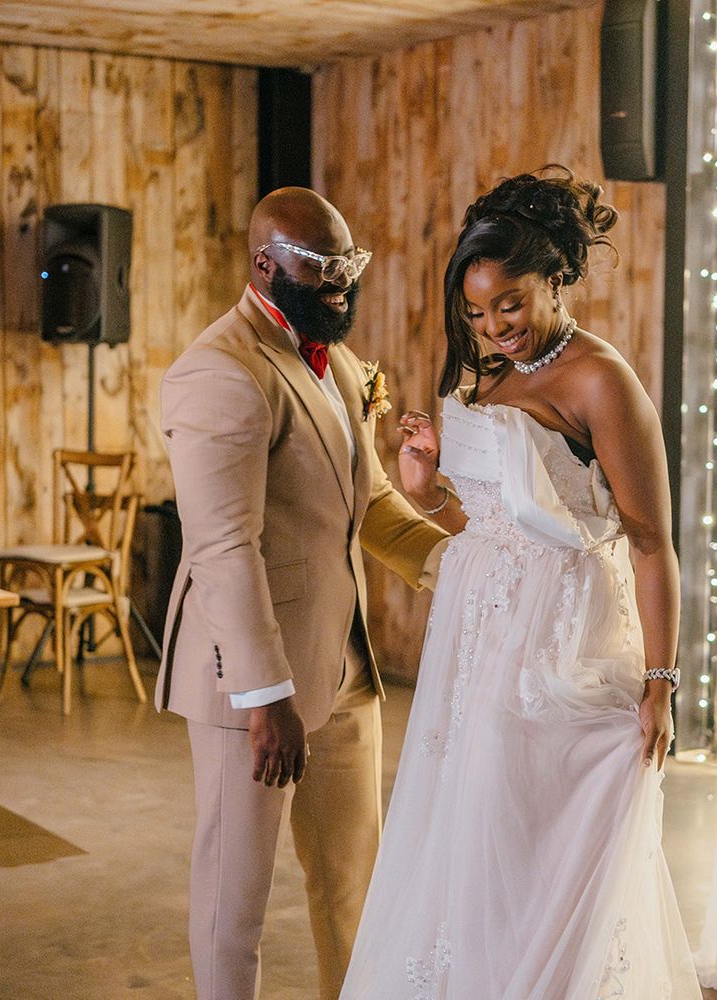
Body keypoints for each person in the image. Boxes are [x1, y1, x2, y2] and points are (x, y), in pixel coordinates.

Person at [339, 168, 702, 999]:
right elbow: (491, 523)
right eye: (475, 312)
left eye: (509, 304)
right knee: (475, 834)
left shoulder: (600, 380)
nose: (493, 327)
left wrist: (660, 682)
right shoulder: (490, 374)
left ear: (555, 278)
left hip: (560, 639)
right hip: (477, 644)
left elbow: (650, 545)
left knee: (542, 841)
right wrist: (426, 486)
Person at [157, 187, 448, 1000]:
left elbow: (372, 503)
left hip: (345, 668)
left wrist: (464, 572)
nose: (341, 283)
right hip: (252, 685)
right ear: (265, 263)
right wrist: (265, 696)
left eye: (349, 263)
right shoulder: (220, 371)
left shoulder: (338, 361)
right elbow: (223, 547)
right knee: (236, 903)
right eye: (321, 266)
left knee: (355, 887)